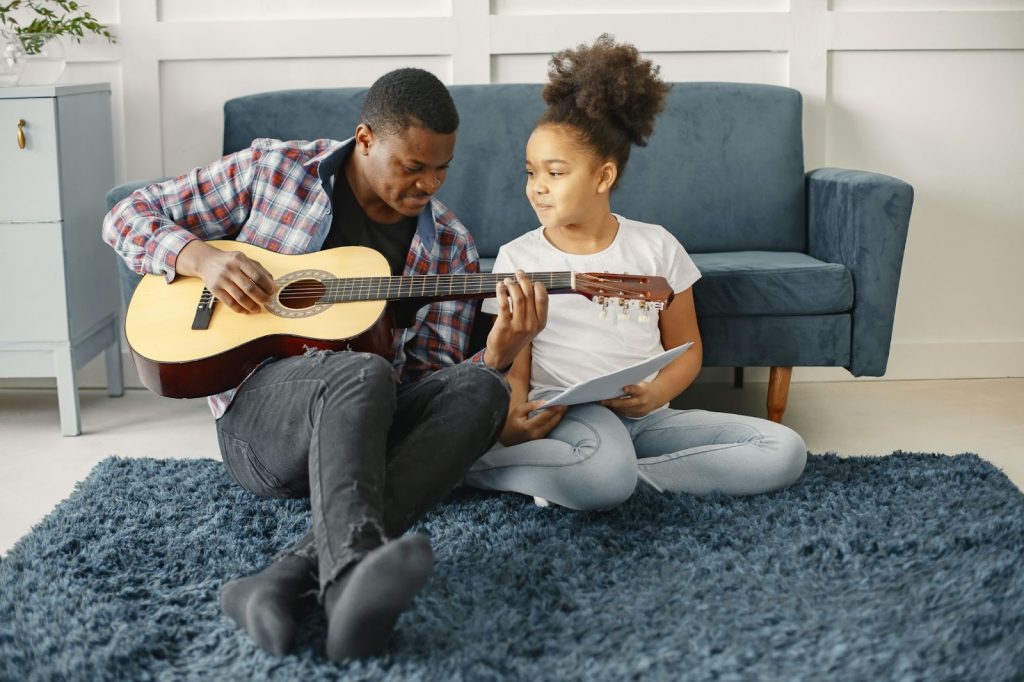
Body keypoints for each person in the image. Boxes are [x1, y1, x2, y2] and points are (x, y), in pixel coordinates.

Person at [103, 68, 548, 661]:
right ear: (365, 139)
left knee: (482, 391)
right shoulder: (273, 171)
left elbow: (428, 386)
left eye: (441, 168)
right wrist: (200, 257)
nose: (429, 183)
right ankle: (347, 585)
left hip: (366, 426)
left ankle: (280, 581)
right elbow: (127, 215)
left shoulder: (450, 248)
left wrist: (498, 354)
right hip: (261, 427)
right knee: (360, 370)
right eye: (412, 167)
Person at [464, 35, 807, 511]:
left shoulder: (656, 246)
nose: (537, 188)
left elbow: (685, 348)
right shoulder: (517, 258)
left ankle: (602, 477)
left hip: (647, 418)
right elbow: (515, 369)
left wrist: (656, 393)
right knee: (601, 462)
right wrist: (514, 420)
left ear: (603, 177)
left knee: (784, 451)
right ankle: (475, 469)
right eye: (530, 172)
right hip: (569, 415)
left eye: (555, 173)